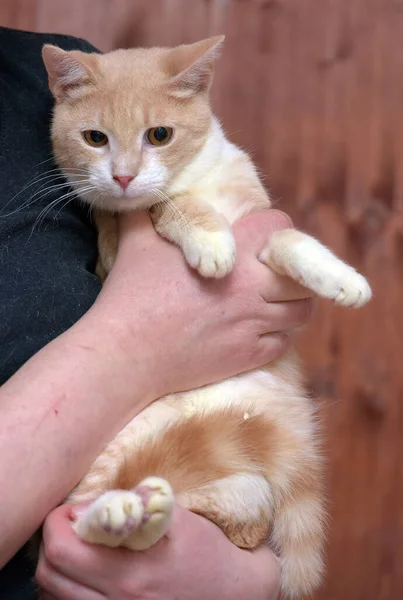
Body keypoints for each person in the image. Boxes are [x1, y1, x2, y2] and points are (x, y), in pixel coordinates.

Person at [0, 26, 313, 599]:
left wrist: (250, 579)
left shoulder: (55, 69)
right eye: (95, 137)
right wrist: (135, 345)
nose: (122, 171)